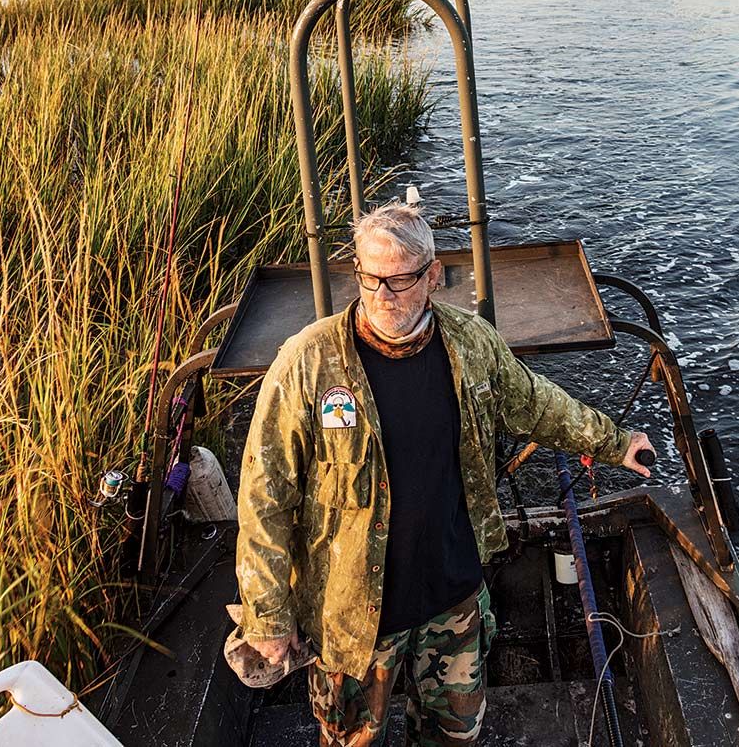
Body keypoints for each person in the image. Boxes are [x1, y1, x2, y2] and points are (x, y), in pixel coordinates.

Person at [235, 202, 655, 746]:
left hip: (453, 603)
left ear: (433, 276)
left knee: (456, 737)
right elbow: (265, 492)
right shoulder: (307, 361)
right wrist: (268, 612)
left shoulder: (470, 344)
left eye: (400, 279)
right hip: (353, 618)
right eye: (369, 277)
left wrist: (614, 442)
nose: (382, 295)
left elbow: (536, 405)